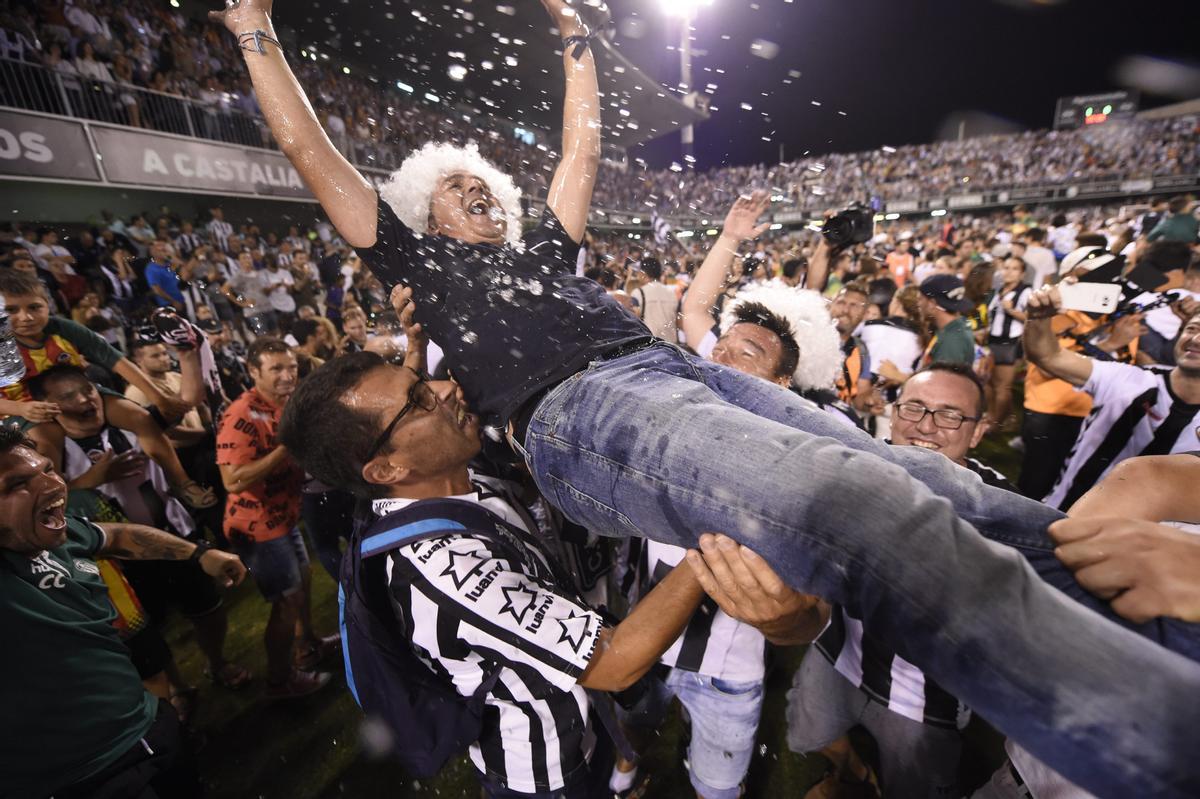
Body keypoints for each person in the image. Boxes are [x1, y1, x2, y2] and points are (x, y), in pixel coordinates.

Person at [214, 1, 1200, 791]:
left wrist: (575, 40)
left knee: (923, 479)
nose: (476, 187)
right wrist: (255, 24)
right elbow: (313, 155)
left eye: (484, 184)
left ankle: (1156, 633)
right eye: (455, 186)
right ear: (418, 205)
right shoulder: (416, 261)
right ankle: (1159, 742)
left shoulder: (538, 253)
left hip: (667, 372)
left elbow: (581, 157)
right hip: (586, 415)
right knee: (869, 512)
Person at [277, 351, 712, 797]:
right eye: (420, 398)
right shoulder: (445, 571)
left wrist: (414, 354)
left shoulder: (442, 483)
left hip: (577, 725)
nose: (445, 388)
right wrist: (712, 537)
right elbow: (617, 661)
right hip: (548, 774)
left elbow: (389, 428)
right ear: (387, 469)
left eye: (421, 378)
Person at [788, 362, 1011, 799]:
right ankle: (853, 774)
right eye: (914, 408)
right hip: (837, 653)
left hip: (928, 698)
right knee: (807, 735)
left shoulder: (1004, 512)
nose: (926, 426)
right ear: (893, 412)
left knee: (913, 788)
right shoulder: (852, 466)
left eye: (950, 415)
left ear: (978, 431)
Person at [0, 425, 246, 799]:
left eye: (47, 469)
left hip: (149, 725)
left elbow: (115, 536)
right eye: (16, 484)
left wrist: (199, 554)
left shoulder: (57, 535)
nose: (51, 486)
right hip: (87, 777)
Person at [216, 337, 337, 698]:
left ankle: (308, 645)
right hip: (257, 526)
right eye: (276, 369)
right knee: (285, 603)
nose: (287, 376)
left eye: (291, 368)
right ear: (253, 372)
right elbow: (232, 479)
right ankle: (280, 680)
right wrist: (287, 445)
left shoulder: (284, 402)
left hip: (282, 516)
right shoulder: (241, 415)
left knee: (301, 581)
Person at [1023, 286, 1200, 510]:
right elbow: (1048, 356)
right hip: (1063, 516)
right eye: (1192, 328)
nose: (1196, 338)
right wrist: (1038, 317)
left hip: (1143, 539)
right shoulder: (1131, 380)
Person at [0, 270, 190, 423]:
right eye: (11, 310)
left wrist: (159, 399)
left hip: (77, 398)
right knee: (47, 439)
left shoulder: (64, 328)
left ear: (48, 306)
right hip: (21, 412)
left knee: (140, 418)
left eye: (34, 307)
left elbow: (115, 359)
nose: (26, 317)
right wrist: (20, 408)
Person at [985, 256, 1032, 430]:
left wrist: (1011, 310)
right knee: (988, 382)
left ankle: (997, 423)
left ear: (1022, 273)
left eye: (1014, 268)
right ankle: (995, 416)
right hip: (993, 340)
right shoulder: (1000, 290)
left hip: (1010, 343)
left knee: (1002, 386)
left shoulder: (1026, 291)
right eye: (1006, 267)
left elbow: (1031, 317)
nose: (1008, 272)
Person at [918, 274, 976, 366]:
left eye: (920, 299)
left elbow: (943, 380)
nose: (918, 304)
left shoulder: (950, 342)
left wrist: (899, 376)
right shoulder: (959, 324)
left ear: (932, 304)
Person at [631, 256, 680, 341]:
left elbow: (633, 321)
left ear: (643, 273)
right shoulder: (671, 293)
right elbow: (678, 321)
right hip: (671, 345)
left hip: (651, 345)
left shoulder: (638, 293)